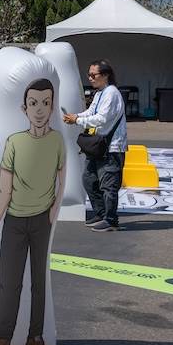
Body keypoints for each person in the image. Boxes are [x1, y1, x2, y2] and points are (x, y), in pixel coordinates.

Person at [0, 78, 65, 345]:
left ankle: (35, 334)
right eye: (33, 103)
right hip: (14, 219)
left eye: (46, 103)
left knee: (39, 279)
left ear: (52, 107)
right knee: (9, 279)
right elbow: (5, 187)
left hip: (42, 219)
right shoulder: (14, 142)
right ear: (24, 108)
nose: (39, 109)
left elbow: (61, 179)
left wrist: (54, 210)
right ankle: (1, 335)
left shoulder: (57, 141)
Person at [63, 59, 127, 232]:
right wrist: (75, 116)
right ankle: (100, 213)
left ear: (105, 75)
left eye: (93, 75)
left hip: (112, 147)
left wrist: (77, 120)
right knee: (89, 179)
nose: (90, 78)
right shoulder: (100, 92)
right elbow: (91, 112)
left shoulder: (111, 93)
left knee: (108, 185)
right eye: (88, 75)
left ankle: (111, 219)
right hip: (100, 146)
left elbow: (101, 118)